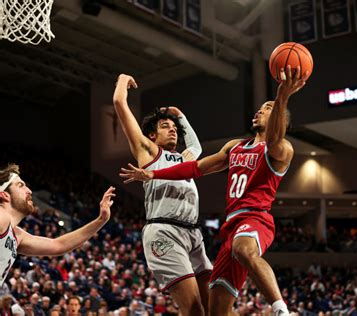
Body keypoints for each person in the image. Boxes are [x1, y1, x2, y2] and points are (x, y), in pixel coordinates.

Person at [119, 65, 308, 316]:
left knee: (243, 250)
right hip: (226, 227)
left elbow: (273, 138)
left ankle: (281, 309)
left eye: (268, 108)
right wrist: (153, 173)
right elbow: (195, 168)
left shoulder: (281, 149)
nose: (260, 110)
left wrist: (282, 95)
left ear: (280, 120)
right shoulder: (234, 147)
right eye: (261, 107)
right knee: (216, 311)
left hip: (254, 218)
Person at [113, 74, 212, 316]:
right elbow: (119, 103)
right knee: (194, 309)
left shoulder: (183, 159)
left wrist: (182, 118)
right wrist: (122, 82)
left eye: (174, 128)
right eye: (165, 127)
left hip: (193, 233)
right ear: (152, 136)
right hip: (164, 231)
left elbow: (196, 147)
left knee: (215, 307)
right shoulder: (149, 152)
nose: (173, 131)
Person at [0, 163, 115, 287]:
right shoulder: (2, 217)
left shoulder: (17, 234)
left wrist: (101, 220)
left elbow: (59, 245)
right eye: (21, 185)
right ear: (4, 195)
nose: (29, 190)